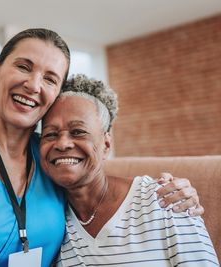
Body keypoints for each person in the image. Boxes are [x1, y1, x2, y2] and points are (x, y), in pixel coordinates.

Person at [0, 29, 203, 267]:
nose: (33, 84)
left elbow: (101, 180)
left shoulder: (53, 161)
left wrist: (174, 191)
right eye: (23, 67)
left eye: (50, 78)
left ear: (56, 93)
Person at [39, 74, 218, 266]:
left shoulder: (165, 199)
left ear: (106, 145)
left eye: (78, 132)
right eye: (50, 134)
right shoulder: (49, 221)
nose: (63, 143)